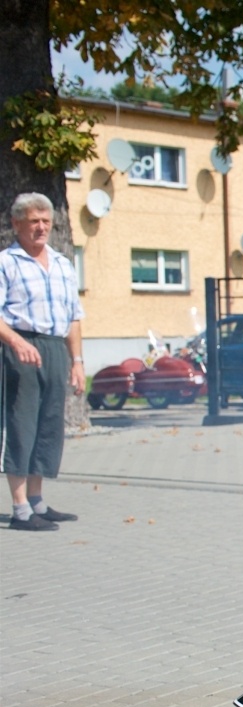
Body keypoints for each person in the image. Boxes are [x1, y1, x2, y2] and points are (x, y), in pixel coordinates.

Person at [1, 193, 84, 532]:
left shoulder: (63, 263)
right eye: (33, 221)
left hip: (54, 347)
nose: (40, 227)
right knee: (23, 426)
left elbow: (74, 317)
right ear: (16, 224)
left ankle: (38, 502)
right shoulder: (6, 262)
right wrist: (16, 341)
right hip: (21, 346)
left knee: (49, 426)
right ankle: (20, 509)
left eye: (45, 221)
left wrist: (77, 361)